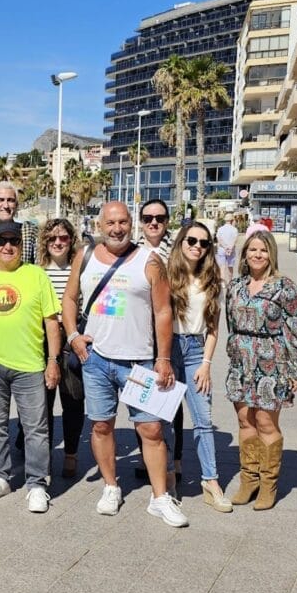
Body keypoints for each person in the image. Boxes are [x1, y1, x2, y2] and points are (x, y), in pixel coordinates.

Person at [63, 201, 185, 526]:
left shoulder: (149, 261)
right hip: (97, 360)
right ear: (100, 225)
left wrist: (163, 359)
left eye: (123, 222)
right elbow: (70, 298)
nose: (117, 228)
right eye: (111, 223)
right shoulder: (84, 257)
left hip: (139, 361)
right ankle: (110, 487)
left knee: (151, 429)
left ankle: (160, 498)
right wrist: (74, 335)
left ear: (131, 223)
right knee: (101, 425)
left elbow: (163, 311)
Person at [0, 221, 61, 513]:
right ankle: (0, 476)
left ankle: (37, 484)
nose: (8, 247)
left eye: (14, 241)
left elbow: (51, 322)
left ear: (22, 244)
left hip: (30, 365)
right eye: (2, 241)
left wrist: (53, 361)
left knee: (35, 428)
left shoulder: (36, 275)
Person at [225, 231, 297, 510]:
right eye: (252, 250)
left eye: (263, 250)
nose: (257, 255)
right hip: (241, 362)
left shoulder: (285, 288)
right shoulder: (236, 286)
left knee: (265, 422)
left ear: (271, 253)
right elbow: (230, 323)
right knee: (244, 421)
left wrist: (296, 370)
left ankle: (268, 484)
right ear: (245, 254)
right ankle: (249, 480)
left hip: (271, 361)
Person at [167, 222, 231, 512]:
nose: (197, 246)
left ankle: (210, 481)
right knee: (164, 419)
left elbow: (214, 329)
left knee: (203, 419)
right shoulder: (166, 275)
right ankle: (167, 477)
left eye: (204, 243)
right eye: (191, 240)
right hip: (167, 349)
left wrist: (206, 364)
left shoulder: (212, 280)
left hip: (195, 350)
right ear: (181, 241)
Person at [133, 198, 179, 488]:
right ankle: (147, 458)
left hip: (166, 336)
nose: (153, 223)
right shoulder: (131, 252)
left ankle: (173, 465)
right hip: (137, 337)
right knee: (141, 404)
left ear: (167, 222)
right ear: (140, 221)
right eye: (148, 218)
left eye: (159, 218)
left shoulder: (177, 252)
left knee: (168, 402)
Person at [36, 218, 86, 479]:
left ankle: (71, 453)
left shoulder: (80, 269)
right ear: (45, 241)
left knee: (73, 399)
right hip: (40, 340)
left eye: (63, 238)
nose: (57, 242)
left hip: (70, 339)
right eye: (52, 238)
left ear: (71, 241)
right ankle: (43, 457)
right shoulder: (36, 271)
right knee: (42, 403)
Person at [216, 213, 239, 283]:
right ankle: (230, 282)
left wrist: (225, 247)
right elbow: (235, 240)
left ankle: (222, 283)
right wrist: (230, 248)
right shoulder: (234, 229)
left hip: (222, 249)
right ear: (232, 220)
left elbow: (219, 239)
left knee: (222, 267)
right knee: (230, 266)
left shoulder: (220, 229)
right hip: (231, 250)